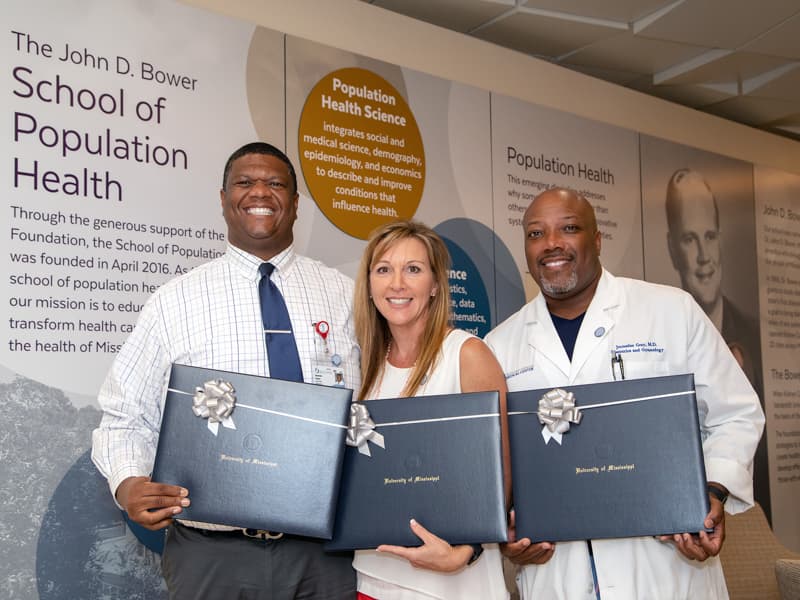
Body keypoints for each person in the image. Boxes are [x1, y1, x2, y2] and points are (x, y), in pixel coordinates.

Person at [91, 142, 361, 599]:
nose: (260, 192)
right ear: (222, 199)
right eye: (245, 182)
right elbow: (123, 416)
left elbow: (380, 405)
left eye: (276, 184)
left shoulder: (345, 297)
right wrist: (128, 482)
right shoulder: (173, 302)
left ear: (295, 204)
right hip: (210, 555)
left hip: (326, 555)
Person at [485, 187, 764, 599]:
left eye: (570, 228)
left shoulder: (671, 311)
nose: (552, 244)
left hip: (663, 569)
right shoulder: (499, 346)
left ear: (596, 240)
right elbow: (497, 469)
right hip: (558, 576)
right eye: (536, 234)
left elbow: (735, 413)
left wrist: (712, 493)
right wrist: (506, 539)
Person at [352, 219, 510, 600]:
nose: (397, 284)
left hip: (452, 583)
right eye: (384, 270)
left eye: (414, 269)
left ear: (436, 284)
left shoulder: (466, 354)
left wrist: (466, 552)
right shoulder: (362, 365)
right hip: (373, 576)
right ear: (370, 285)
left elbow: (502, 473)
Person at [665, 168, 762, 392]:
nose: (703, 256)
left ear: (720, 239)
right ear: (672, 249)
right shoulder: (658, 340)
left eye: (709, 237)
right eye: (689, 239)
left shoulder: (755, 339)